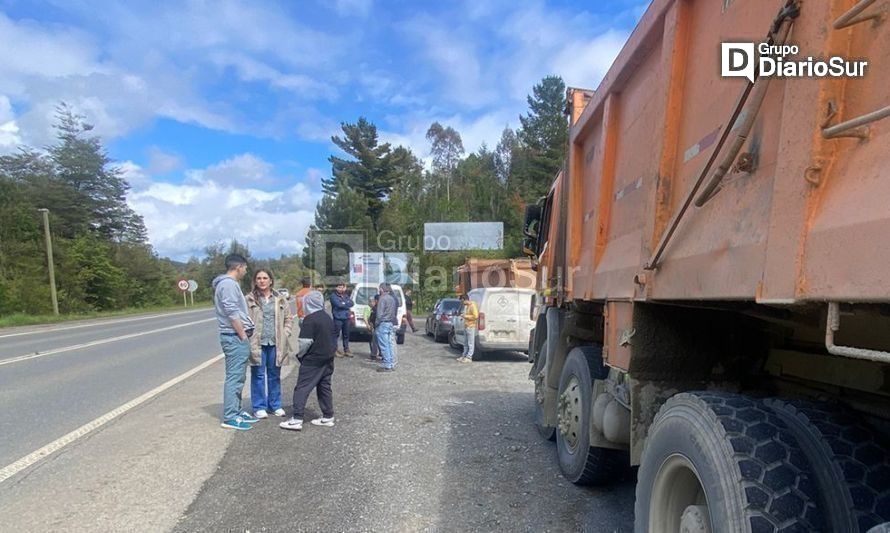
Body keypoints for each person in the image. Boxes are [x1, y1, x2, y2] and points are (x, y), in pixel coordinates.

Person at [213, 254, 259, 430]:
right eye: (245, 268)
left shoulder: (228, 284)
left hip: (235, 335)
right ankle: (230, 416)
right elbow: (232, 311)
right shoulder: (228, 284)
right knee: (234, 377)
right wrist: (242, 334)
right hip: (234, 336)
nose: (245, 271)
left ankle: (237, 411)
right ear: (238, 267)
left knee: (239, 376)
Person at [280, 291, 336, 431]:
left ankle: (297, 418)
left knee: (302, 387)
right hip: (328, 357)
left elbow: (305, 343)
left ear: (307, 303)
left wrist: (301, 356)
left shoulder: (310, 319)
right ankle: (328, 416)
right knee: (324, 386)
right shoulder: (327, 317)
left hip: (313, 358)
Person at [246, 269, 294, 419]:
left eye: (265, 278)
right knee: (258, 375)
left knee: (274, 375)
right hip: (257, 342)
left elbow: (288, 318)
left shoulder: (279, 299)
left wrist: (285, 333)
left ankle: (275, 405)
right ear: (255, 281)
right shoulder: (249, 299)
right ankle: (259, 406)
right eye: (259, 278)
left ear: (271, 281)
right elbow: (243, 319)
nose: (262, 281)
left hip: (275, 342)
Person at [375, 282, 399, 372]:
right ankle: (391, 363)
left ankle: (387, 364)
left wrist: (376, 324)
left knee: (384, 345)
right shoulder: (392, 298)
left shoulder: (382, 298)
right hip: (390, 323)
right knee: (389, 344)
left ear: (381, 289)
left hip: (383, 323)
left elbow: (379, 314)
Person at [330, 283, 354, 357]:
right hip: (338, 318)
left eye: (342, 287)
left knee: (346, 334)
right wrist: (345, 304)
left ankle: (346, 349)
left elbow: (351, 303)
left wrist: (344, 303)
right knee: (336, 335)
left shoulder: (345, 295)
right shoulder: (333, 296)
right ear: (336, 288)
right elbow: (338, 305)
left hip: (346, 317)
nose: (341, 289)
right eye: (339, 287)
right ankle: (334, 350)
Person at [458, 294, 479, 364]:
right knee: (465, 343)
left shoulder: (472, 306)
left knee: (470, 343)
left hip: (471, 326)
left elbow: (475, 316)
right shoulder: (467, 306)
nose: (462, 303)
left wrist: (465, 316)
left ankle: (469, 357)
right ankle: (464, 356)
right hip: (466, 326)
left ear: (465, 300)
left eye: (462, 301)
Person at [364, 294, 380, 360]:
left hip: (376, 326)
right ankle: (378, 354)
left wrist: (371, 324)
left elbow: (373, 317)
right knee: (376, 341)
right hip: (376, 326)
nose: (373, 302)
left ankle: (374, 355)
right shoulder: (377, 307)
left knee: (374, 341)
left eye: (374, 301)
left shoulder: (376, 308)